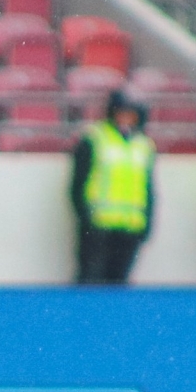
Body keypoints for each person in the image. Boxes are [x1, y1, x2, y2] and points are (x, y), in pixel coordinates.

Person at [72, 89, 156, 285]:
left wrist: (148, 221)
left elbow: (148, 187)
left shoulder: (143, 144)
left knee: (119, 280)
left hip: (130, 224)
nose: (126, 118)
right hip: (98, 223)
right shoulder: (95, 138)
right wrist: (84, 216)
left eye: (131, 114)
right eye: (122, 113)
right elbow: (78, 183)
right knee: (91, 278)